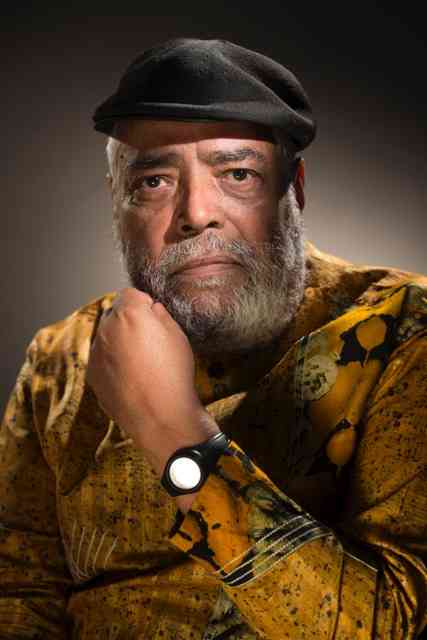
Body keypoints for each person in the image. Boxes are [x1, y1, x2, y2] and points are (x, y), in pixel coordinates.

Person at [1, 37, 426, 640]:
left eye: (238, 174)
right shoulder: (60, 359)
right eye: (153, 181)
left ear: (293, 189)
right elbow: (20, 592)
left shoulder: (404, 331)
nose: (196, 212)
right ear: (117, 206)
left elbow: (392, 626)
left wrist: (176, 436)